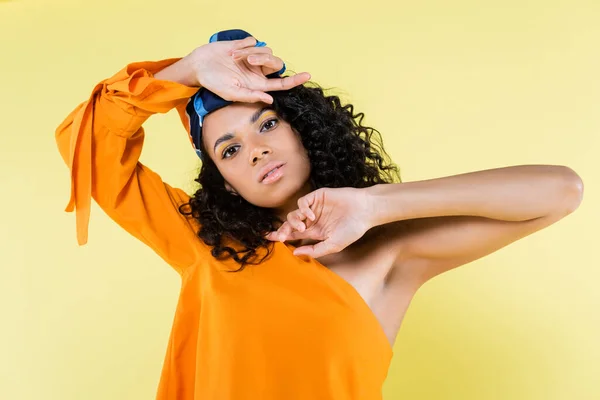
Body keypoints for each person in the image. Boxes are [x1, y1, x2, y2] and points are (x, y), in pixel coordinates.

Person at [55, 29, 584, 400]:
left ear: (302, 128)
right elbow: (87, 142)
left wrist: (374, 204)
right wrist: (188, 70)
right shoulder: (199, 242)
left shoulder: (386, 254)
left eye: (266, 125)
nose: (256, 151)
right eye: (229, 150)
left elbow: (560, 190)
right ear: (222, 179)